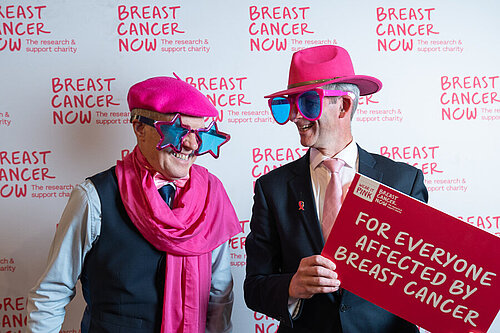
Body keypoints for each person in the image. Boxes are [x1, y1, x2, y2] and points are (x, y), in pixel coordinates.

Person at [27, 76, 241, 333]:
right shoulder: (93, 197)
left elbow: (219, 293)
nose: (191, 145)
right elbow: (53, 291)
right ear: (140, 127)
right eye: (177, 130)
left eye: (200, 134)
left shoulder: (212, 195)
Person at [244, 45, 428, 332]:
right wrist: (292, 286)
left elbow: (425, 277)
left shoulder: (404, 181)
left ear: (343, 105)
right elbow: (254, 287)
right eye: (289, 104)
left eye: (307, 103)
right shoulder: (272, 188)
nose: (294, 116)